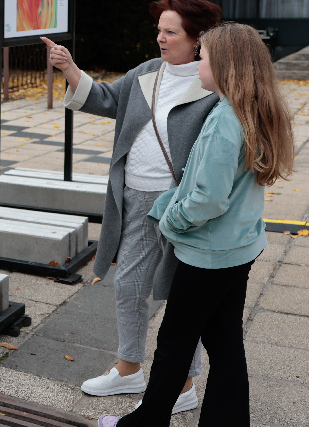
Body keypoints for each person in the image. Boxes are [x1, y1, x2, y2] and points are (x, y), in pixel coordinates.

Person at [98, 23, 294, 427]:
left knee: (173, 343)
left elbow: (208, 197)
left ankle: (145, 423)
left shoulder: (225, 120)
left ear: (223, 66)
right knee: (224, 345)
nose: (197, 63)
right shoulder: (249, 109)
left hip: (208, 254)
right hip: (237, 249)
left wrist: (170, 219)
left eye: (202, 57)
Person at [43, 0, 223, 415]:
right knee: (128, 285)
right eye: (158, 29)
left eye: (170, 31)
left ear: (197, 38)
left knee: (182, 296)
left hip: (181, 206)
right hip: (134, 198)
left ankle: (183, 384)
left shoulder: (213, 82)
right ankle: (129, 368)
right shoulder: (147, 73)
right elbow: (106, 99)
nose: (160, 38)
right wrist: (69, 68)